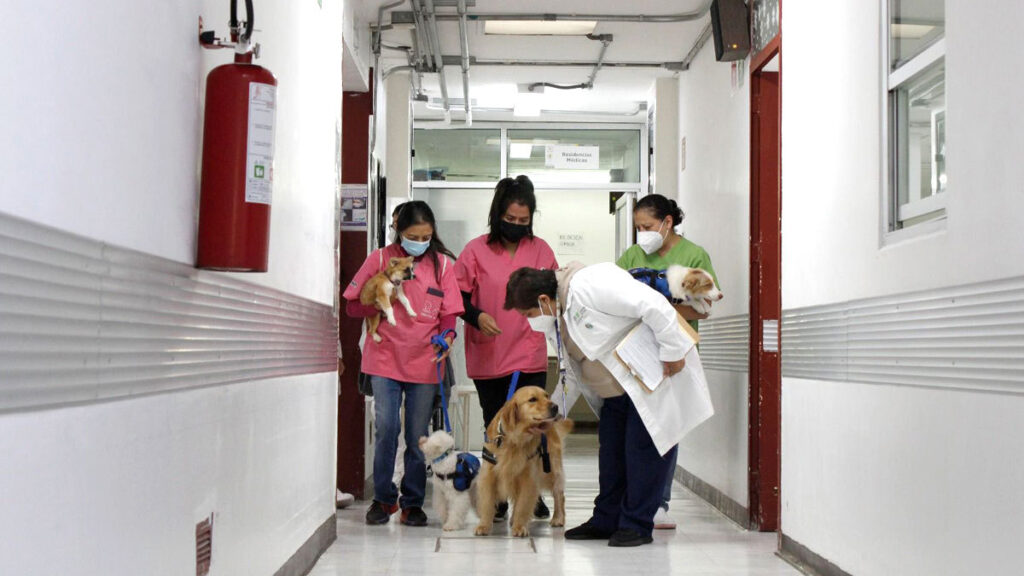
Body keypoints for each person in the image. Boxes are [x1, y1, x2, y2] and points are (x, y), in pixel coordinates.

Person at [504, 263, 713, 547]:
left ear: (543, 299)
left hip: (653, 378)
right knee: (611, 456)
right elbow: (572, 372)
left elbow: (654, 305)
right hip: (616, 392)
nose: (530, 321)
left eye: (528, 314)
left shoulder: (591, 283)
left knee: (642, 454)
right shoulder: (557, 315)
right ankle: (607, 519)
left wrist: (673, 351)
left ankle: (637, 525)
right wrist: (550, 416)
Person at [344, 201, 464, 527]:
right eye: (414, 236)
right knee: (386, 429)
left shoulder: (442, 266)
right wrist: (378, 303)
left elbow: (449, 313)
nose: (420, 242)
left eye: (426, 236)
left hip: (425, 360)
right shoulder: (381, 259)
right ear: (400, 231)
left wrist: (448, 336)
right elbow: (352, 306)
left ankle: (412, 501)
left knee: (416, 435)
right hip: (384, 359)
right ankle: (383, 499)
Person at [454, 175, 558, 520]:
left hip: (529, 351)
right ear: (498, 214)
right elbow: (459, 298)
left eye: (523, 221)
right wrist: (477, 316)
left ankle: (532, 494)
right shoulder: (475, 250)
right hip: (490, 351)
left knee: (534, 428)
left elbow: (553, 295)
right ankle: (497, 495)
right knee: (495, 426)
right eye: (510, 220)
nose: (516, 226)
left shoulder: (541, 249)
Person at [616, 193, 719, 530]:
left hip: (676, 353)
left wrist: (662, 311)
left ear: (667, 222)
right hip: (636, 350)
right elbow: (616, 296)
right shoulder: (633, 255)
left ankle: (659, 501)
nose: (642, 233)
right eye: (638, 227)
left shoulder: (693, 255)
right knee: (637, 430)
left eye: (647, 226)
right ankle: (633, 498)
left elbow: (704, 305)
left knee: (667, 428)